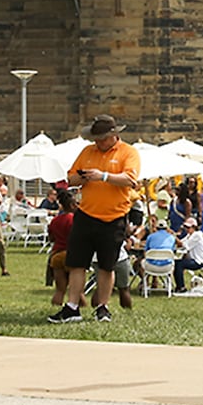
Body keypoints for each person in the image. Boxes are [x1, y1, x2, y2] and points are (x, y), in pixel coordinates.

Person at [49, 115, 140, 325]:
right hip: (86, 215)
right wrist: (83, 177)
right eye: (95, 139)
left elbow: (130, 179)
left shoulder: (128, 152)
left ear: (114, 135)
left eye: (101, 139)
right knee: (77, 263)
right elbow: (70, 178)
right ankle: (72, 307)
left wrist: (103, 176)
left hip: (114, 217)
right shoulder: (88, 152)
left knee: (107, 266)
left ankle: (102, 306)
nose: (97, 143)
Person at [46, 189, 77, 307]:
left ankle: (55, 307)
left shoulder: (55, 220)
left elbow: (51, 238)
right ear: (71, 205)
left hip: (56, 255)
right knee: (77, 290)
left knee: (60, 290)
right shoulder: (75, 220)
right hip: (71, 255)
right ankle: (79, 308)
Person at [173, 219, 203, 293]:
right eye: (186, 227)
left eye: (188, 228)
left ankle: (181, 287)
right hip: (195, 260)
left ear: (194, 227)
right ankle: (179, 286)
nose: (187, 229)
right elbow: (181, 243)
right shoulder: (190, 235)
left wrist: (172, 235)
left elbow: (184, 245)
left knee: (179, 264)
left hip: (201, 261)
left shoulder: (197, 235)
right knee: (177, 263)